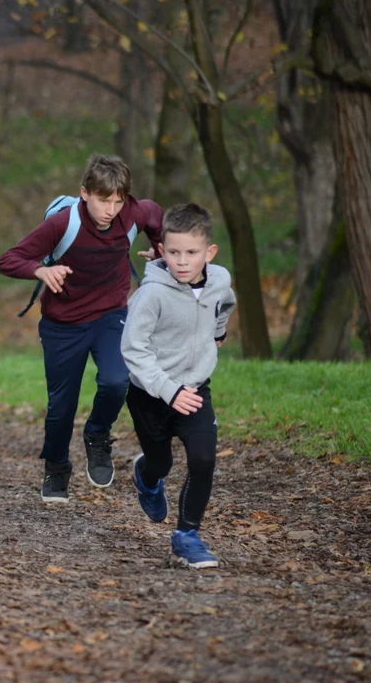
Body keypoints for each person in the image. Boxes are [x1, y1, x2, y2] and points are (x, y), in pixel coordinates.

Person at [0, 154, 163, 503]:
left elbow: (155, 214)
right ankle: (56, 468)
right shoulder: (61, 224)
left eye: (118, 201)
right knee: (61, 406)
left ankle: (97, 435)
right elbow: (7, 260)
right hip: (63, 324)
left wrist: (161, 246)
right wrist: (40, 271)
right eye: (104, 200)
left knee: (117, 381)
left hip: (110, 314)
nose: (111, 210)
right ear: (84, 193)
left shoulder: (133, 213)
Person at [121, 202, 235, 569]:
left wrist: (218, 331)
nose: (182, 261)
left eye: (191, 253)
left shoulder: (219, 280)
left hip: (196, 388)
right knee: (161, 462)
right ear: (161, 250)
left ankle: (187, 536)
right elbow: (132, 349)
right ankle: (145, 476)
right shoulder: (151, 295)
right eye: (173, 252)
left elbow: (226, 303)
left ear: (209, 252)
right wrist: (168, 390)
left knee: (203, 460)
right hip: (149, 395)